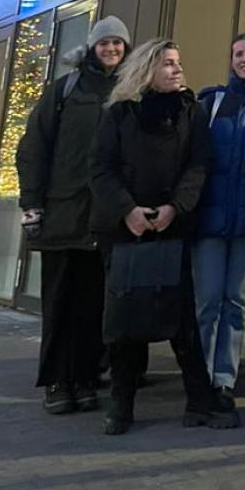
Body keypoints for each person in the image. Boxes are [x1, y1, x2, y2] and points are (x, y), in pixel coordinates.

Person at [89, 39, 228, 435]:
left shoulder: (190, 111)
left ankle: (199, 400)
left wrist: (176, 208)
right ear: (147, 68)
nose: (177, 69)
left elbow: (200, 164)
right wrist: (128, 210)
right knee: (122, 319)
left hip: (171, 225)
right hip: (124, 228)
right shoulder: (118, 113)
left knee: (180, 317)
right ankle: (121, 404)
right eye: (168, 63)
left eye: (178, 63)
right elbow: (100, 168)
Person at [16, 15, 131, 416]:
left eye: (118, 44)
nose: (111, 50)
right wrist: (32, 203)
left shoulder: (129, 90)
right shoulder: (65, 89)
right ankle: (57, 380)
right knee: (60, 300)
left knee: (92, 303)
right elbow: (34, 147)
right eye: (105, 43)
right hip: (65, 212)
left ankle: (84, 377)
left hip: (105, 218)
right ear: (92, 48)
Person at [191, 33, 245, 413]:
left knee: (235, 302)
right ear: (231, 60)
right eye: (239, 54)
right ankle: (200, 375)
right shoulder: (211, 103)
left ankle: (225, 378)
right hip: (209, 221)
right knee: (208, 299)